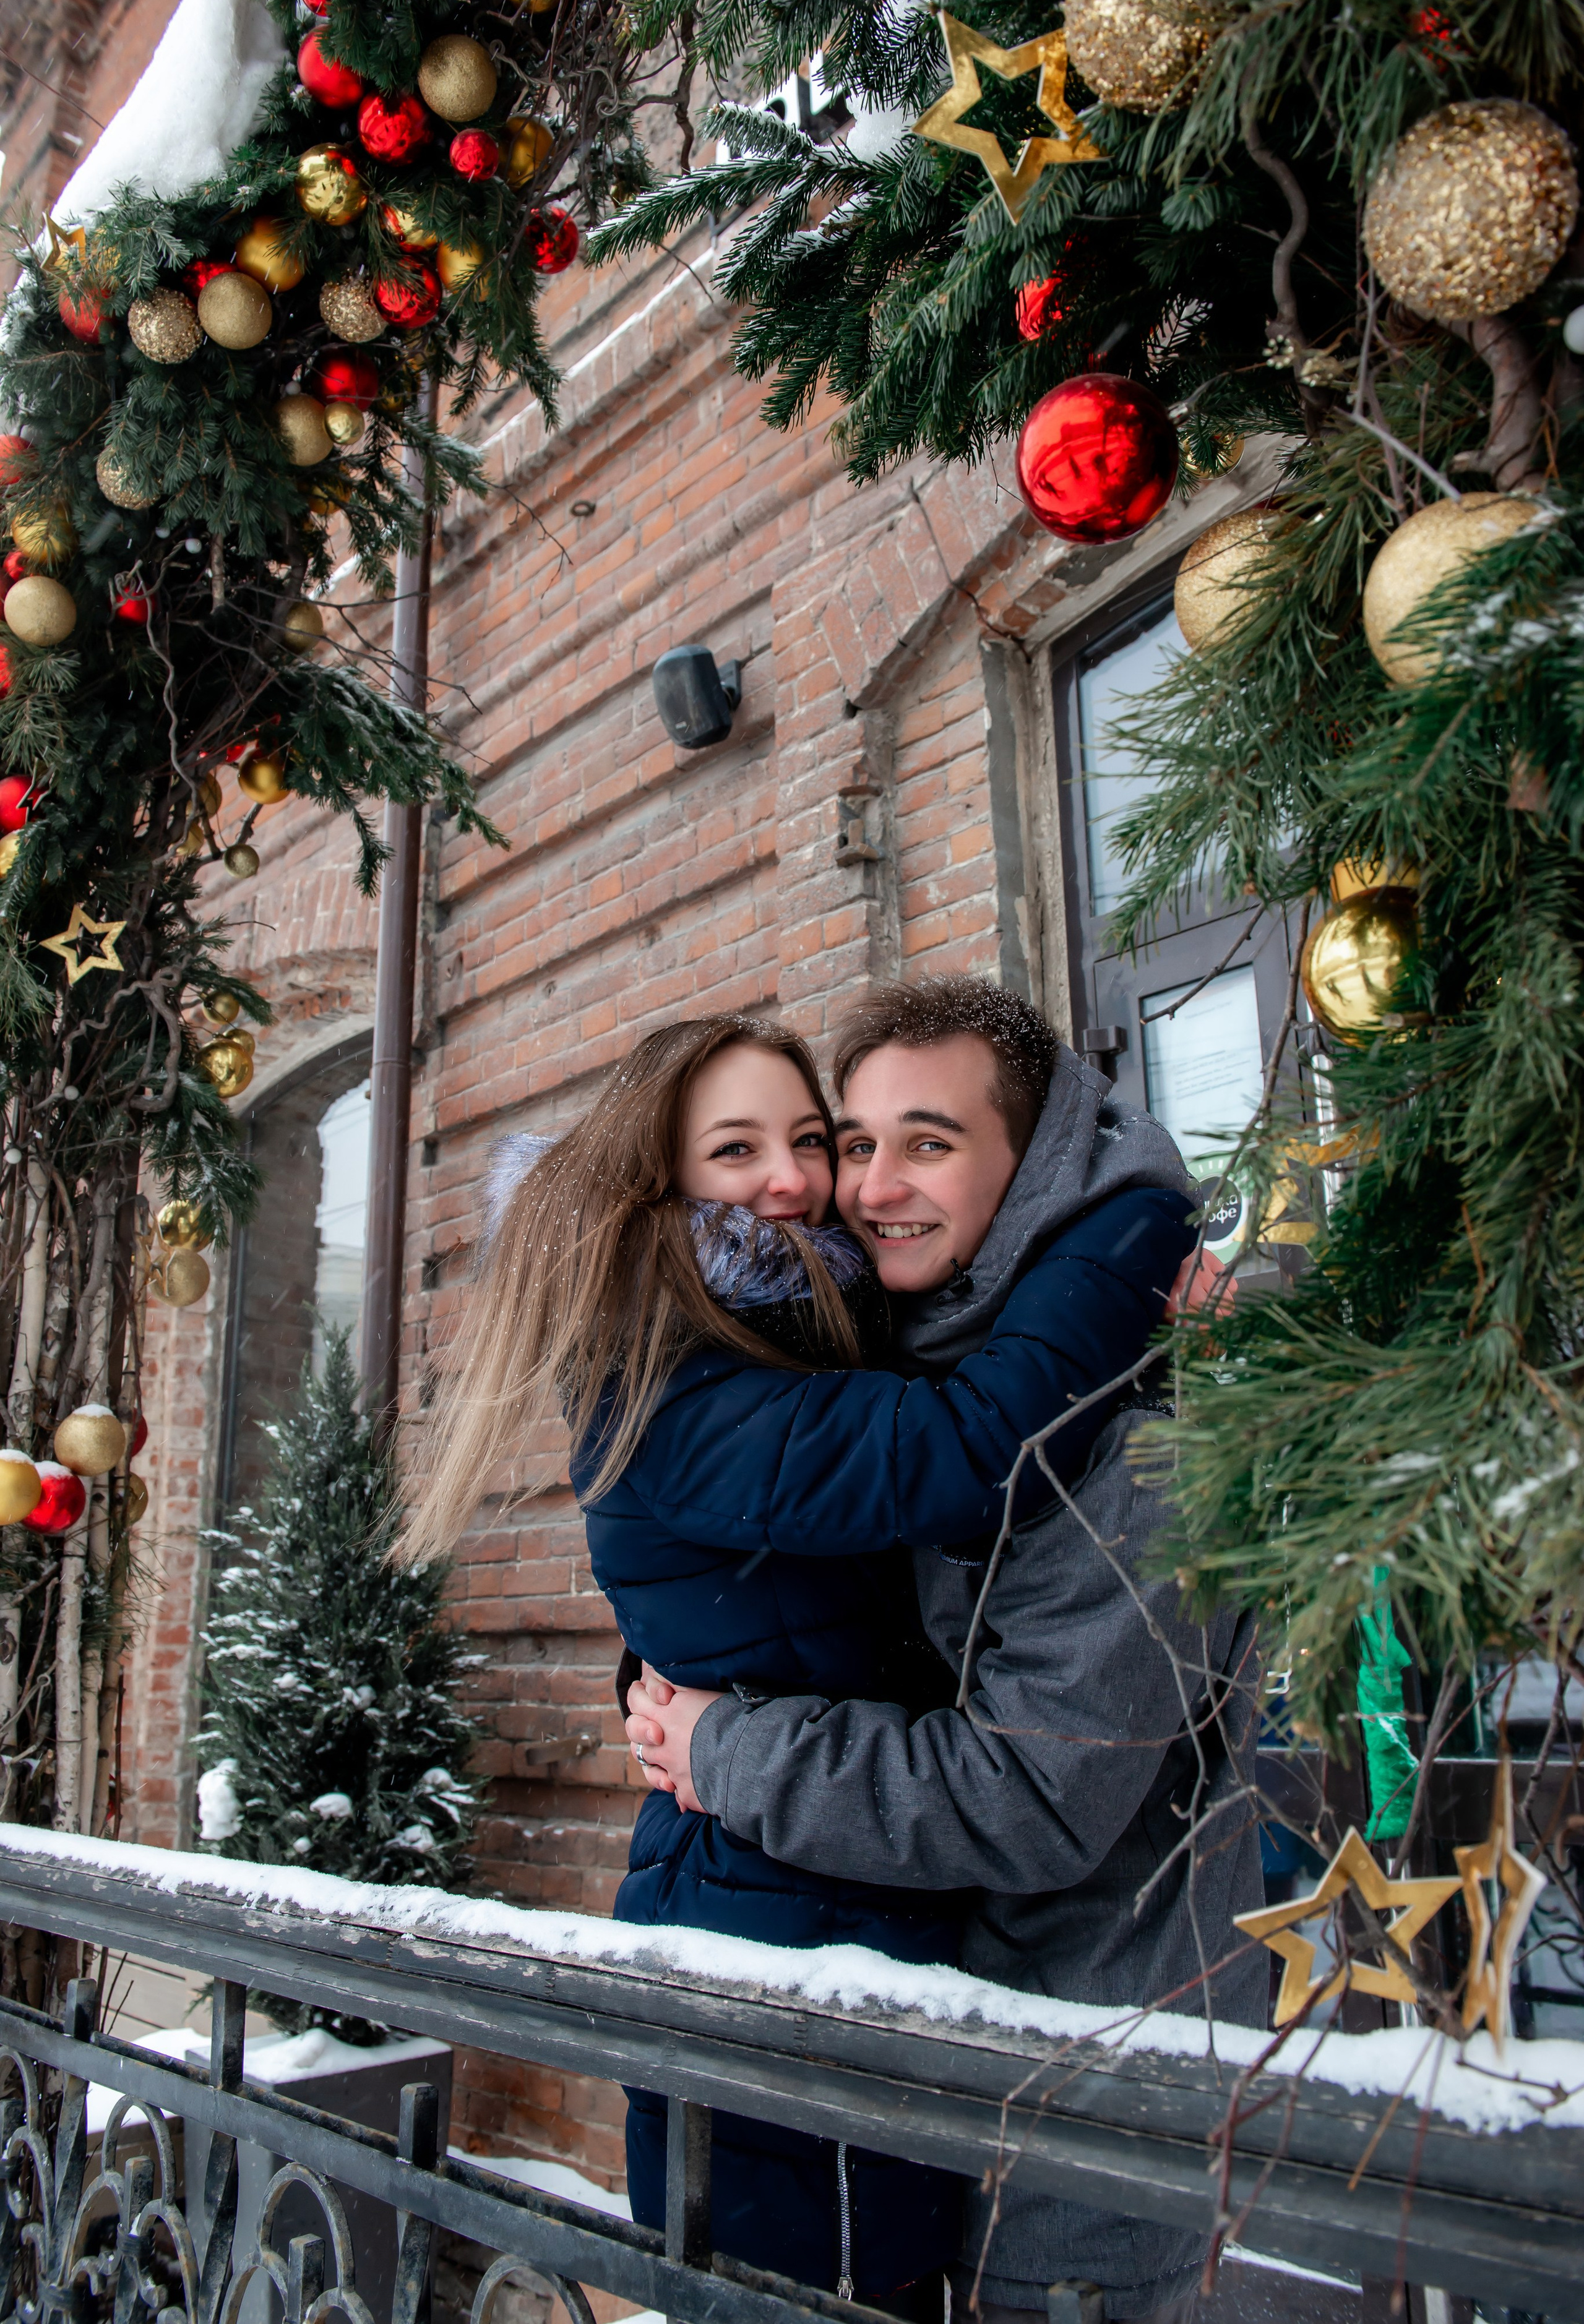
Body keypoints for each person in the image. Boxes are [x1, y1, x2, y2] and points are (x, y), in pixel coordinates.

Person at [403, 1008, 1200, 2313]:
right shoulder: (686, 1375)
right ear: (661, 1184)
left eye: (807, 1138)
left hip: (846, 1926)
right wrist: (1135, 1230)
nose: (798, 1177)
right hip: (774, 1937)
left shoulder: (792, 1332)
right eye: (736, 1149)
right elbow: (967, 1441)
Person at [625, 979, 1266, 2324]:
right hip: (915, 2094)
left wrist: (725, 1744)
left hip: (1070, 2113)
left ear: (1025, 1162)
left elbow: (1027, 1796)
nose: (863, 1187)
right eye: (853, 1145)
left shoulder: (1130, 1439)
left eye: (926, 1142)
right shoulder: (896, 1361)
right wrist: (654, 1673)